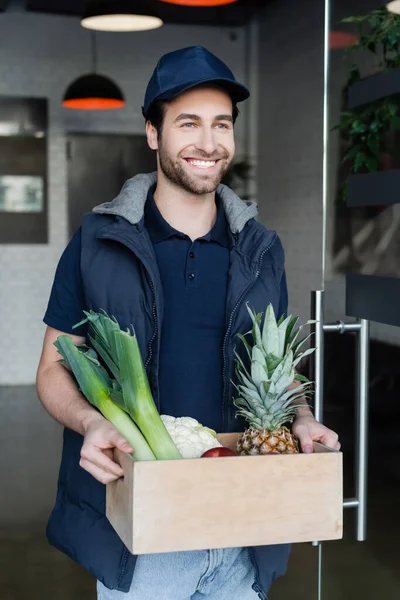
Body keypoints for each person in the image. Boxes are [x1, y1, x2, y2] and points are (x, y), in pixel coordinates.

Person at [36, 46, 340, 600]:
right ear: (153, 134)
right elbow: (53, 370)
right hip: (141, 538)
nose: (208, 142)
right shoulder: (98, 242)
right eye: (189, 123)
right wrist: (89, 422)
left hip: (245, 527)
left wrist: (299, 416)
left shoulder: (261, 249)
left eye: (221, 124)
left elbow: (275, 367)